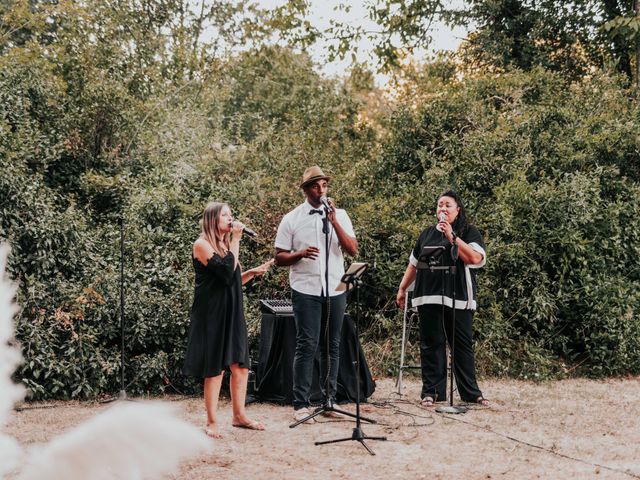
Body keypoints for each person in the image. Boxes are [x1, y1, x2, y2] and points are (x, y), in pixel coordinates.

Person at [274, 166, 358, 423]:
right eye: (315, 186)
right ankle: (301, 403)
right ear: (306, 190)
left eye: (324, 185)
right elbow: (278, 257)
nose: (321, 190)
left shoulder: (340, 215)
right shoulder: (292, 219)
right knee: (306, 344)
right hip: (305, 289)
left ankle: (329, 400)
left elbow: (353, 250)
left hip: (335, 287)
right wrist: (299, 254)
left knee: (332, 346)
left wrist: (334, 222)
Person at [183, 202, 274, 438]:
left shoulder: (226, 246)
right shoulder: (201, 245)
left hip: (232, 312)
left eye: (231, 215)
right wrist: (236, 239)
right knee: (215, 370)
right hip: (212, 314)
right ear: (213, 219)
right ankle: (212, 422)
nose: (230, 218)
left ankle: (239, 416)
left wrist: (251, 273)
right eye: (225, 215)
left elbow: (231, 281)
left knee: (240, 367)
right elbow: (224, 273)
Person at [396, 189, 489, 407]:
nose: (442, 209)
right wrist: (402, 289)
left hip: (459, 298)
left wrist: (452, 237)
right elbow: (414, 264)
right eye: (439, 205)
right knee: (431, 345)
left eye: (447, 205)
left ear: (458, 209)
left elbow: (475, 258)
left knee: (462, 345)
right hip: (428, 296)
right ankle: (432, 392)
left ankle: (471, 393)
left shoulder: (469, 231)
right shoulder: (427, 233)